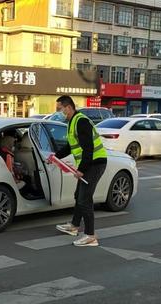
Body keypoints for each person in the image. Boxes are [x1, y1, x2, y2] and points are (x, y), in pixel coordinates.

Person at [54, 95, 107, 247]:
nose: (58, 112)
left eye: (60, 109)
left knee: (85, 199)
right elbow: (72, 146)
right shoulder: (72, 121)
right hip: (90, 163)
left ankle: (91, 236)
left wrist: (82, 170)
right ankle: (74, 226)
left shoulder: (81, 121)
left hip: (95, 163)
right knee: (79, 195)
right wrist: (55, 156)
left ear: (68, 108)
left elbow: (88, 148)